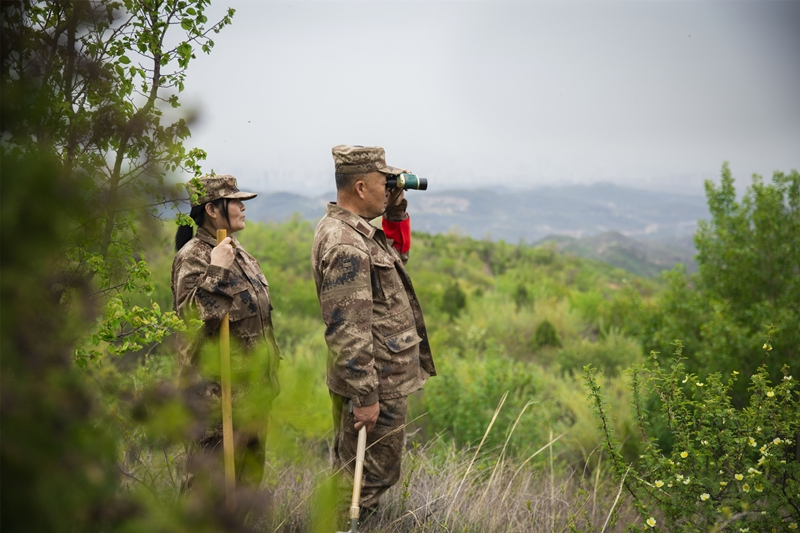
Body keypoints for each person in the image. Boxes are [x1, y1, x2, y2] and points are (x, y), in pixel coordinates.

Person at [311, 145, 436, 519]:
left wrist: (396, 211)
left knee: (363, 473)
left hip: (378, 377)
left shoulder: (355, 232)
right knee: (364, 479)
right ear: (362, 187)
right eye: (385, 183)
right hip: (373, 381)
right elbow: (346, 330)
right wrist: (365, 395)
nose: (390, 188)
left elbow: (397, 256)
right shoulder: (346, 244)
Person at [171, 174, 280, 496]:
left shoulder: (236, 251)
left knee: (244, 494)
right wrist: (216, 271)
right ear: (213, 210)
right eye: (236, 202)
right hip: (217, 404)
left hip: (251, 398)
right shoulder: (194, 256)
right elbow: (190, 324)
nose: (243, 208)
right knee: (207, 496)